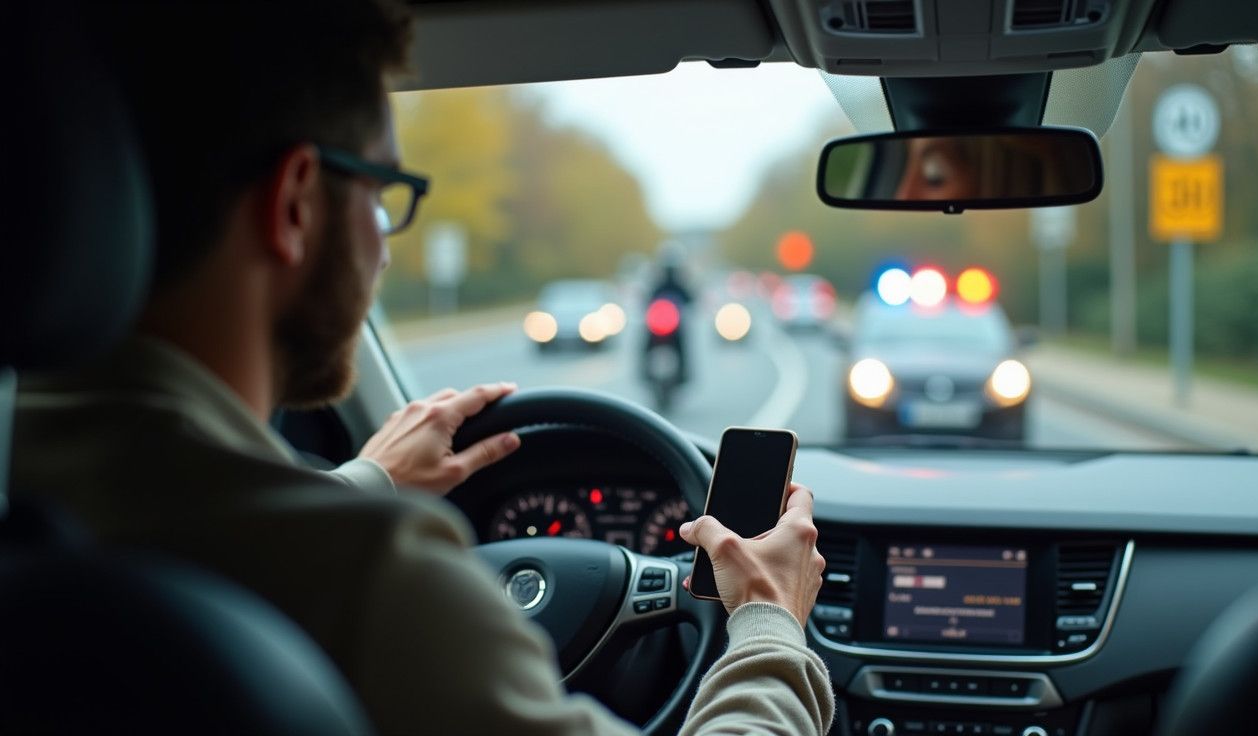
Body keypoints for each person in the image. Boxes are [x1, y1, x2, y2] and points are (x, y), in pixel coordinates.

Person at [13, 2, 834, 735]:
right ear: (296, 202)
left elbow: (174, 515)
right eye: (382, 194)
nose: (382, 247)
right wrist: (766, 622)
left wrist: (364, 479)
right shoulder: (380, 587)